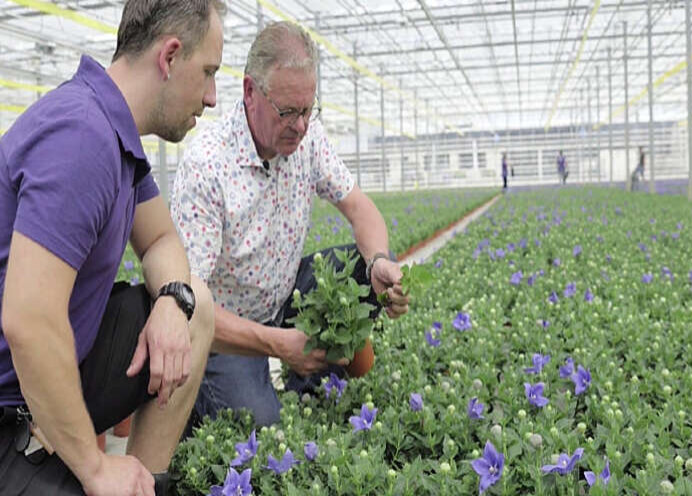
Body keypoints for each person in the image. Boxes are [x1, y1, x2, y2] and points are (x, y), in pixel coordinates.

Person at [0, 1, 224, 494]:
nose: (211, 97)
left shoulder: (116, 134)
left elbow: (163, 238)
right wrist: (97, 468)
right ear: (169, 57)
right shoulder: (82, 135)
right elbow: (28, 321)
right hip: (10, 403)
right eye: (208, 72)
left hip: (52, 371)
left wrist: (171, 299)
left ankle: (140, 482)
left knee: (196, 305)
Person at [171, 21, 410, 429]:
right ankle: (198, 400)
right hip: (224, 330)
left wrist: (378, 265)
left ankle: (313, 383)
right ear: (250, 92)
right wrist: (279, 345)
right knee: (262, 431)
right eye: (288, 112)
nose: (300, 125)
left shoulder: (306, 138)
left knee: (360, 270)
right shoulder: (207, 166)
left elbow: (360, 209)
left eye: (307, 110)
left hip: (285, 299)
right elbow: (190, 306)